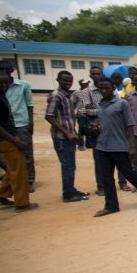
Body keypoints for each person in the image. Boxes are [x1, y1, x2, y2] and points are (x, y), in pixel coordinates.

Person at [92, 77, 137, 217]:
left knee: (129, 174)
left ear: (113, 88)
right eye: (101, 89)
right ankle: (111, 206)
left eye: (107, 88)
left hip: (119, 146)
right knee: (106, 177)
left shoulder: (122, 104)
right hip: (102, 146)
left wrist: (132, 146)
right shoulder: (100, 105)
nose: (104, 91)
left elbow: (130, 125)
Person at [82, 67, 129, 194]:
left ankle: (122, 182)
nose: (96, 76)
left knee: (120, 156)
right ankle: (101, 186)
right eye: (93, 74)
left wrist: (98, 109)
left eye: (98, 73)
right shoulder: (86, 92)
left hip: (114, 127)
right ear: (90, 75)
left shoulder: (110, 88)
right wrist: (105, 110)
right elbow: (86, 110)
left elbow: (116, 105)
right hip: (96, 130)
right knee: (100, 159)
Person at [0, 71, 37, 211]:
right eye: (0, 82)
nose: (4, 85)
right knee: (19, 170)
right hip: (5, 139)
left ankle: (1, 195)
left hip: (8, 137)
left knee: (13, 168)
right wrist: (15, 140)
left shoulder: (1, 96)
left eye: (6, 82)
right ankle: (22, 203)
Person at [45, 71, 89, 202]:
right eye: (65, 81)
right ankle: (68, 194)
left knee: (71, 165)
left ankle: (70, 189)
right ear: (58, 80)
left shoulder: (68, 96)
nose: (68, 83)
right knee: (67, 165)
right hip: (62, 137)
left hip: (69, 136)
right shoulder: (56, 96)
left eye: (70, 81)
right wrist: (66, 132)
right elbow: (49, 116)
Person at [71, 78, 91, 150]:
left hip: (90, 113)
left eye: (88, 83)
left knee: (89, 128)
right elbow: (73, 103)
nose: (87, 85)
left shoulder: (90, 92)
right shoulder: (76, 93)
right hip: (81, 113)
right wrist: (72, 113)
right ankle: (80, 145)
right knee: (81, 129)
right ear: (80, 84)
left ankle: (89, 144)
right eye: (85, 83)